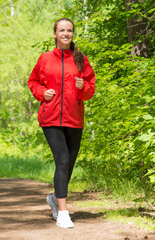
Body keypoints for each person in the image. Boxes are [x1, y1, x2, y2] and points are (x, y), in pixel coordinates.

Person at [27, 18, 95, 228]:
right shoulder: (45, 59)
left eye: (70, 30)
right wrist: (42, 93)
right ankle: (63, 212)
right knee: (62, 161)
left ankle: (55, 198)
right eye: (62, 30)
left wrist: (83, 86)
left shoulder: (81, 59)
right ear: (55, 34)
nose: (66, 33)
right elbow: (33, 82)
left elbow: (90, 90)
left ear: (72, 33)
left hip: (74, 118)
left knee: (69, 164)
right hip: (51, 118)